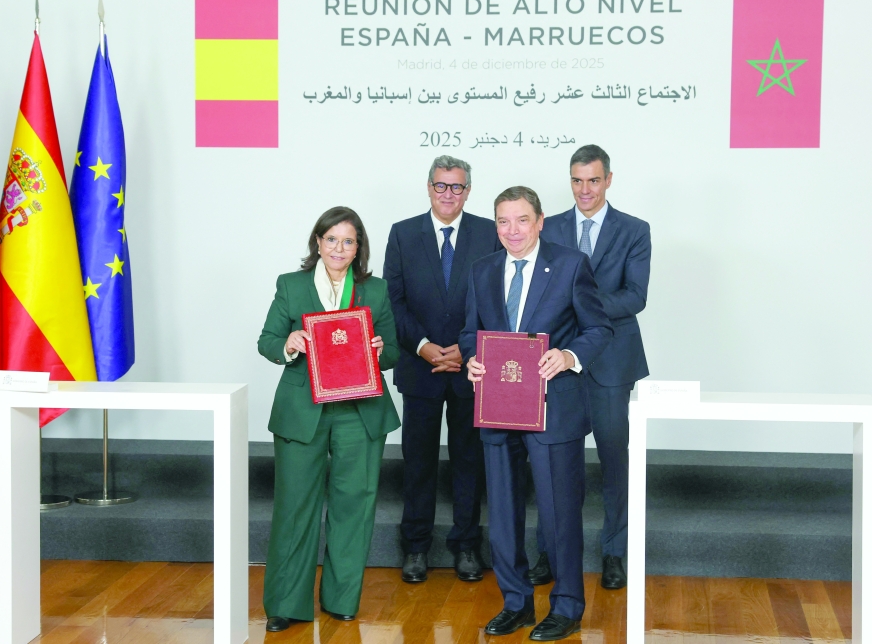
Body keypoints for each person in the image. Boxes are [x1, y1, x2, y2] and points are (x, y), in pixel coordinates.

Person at [460, 187, 612, 640]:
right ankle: (516, 602)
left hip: (554, 409)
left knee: (558, 512)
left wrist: (568, 356)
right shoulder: (482, 270)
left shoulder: (569, 265)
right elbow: (472, 332)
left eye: (522, 220)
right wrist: (472, 358)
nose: (512, 231)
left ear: (540, 221)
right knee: (503, 512)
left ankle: (566, 606)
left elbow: (598, 328)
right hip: (497, 406)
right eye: (503, 222)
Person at [257, 206, 401, 632]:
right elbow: (266, 342)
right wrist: (289, 342)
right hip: (304, 412)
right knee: (294, 507)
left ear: (359, 248)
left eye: (349, 241)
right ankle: (286, 603)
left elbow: (393, 351)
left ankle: (341, 598)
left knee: (354, 507)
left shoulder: (375, 290)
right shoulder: (291, 285)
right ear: (317, 242)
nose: (340, 248)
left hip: (361, 413)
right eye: (332, 239)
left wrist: (378, 349)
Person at [532, 145, 651, 591]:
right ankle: (549, 552)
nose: (585, 189)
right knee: (551, 460)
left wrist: (578, 302)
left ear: (609, 180)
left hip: (610, 361)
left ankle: (614, 552)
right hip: (556, 361)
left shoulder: (634, 230)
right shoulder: (552, 226)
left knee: (614, 462)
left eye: (593, 180)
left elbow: (635, 296)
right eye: (577, 180)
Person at [383, 155, 501, 583]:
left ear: (468, 191)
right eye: (440, 186)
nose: (447, 194)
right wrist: (423, 346)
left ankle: (466, 546)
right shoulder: (402, 234)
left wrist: (463, 350)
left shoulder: (489, 234)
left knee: (470, 461)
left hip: (472, 369)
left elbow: (495, 300)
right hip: (420, 367)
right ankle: (415, 547)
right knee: (418, 462)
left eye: (456, 187)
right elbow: (392, 301)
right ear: (428, 187)